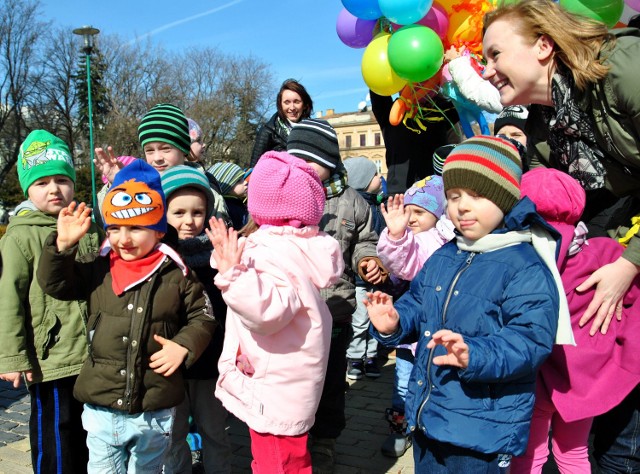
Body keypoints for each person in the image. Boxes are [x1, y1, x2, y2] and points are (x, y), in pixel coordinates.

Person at [482, 4, 640, 469]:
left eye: (495, 54)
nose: (487, 71)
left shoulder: (624, 70)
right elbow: (553, 209)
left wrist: (628, 264)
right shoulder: (541, 124)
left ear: (544, 46)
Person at [366, 136, 566, 472]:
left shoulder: (524, 263)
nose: (463, 206)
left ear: (504, 197)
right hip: (430, 416)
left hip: (481, 428)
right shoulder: (446, 253)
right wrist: (394, 321)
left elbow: (531, 339)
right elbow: (419, 302)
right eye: (455, 196)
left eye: (477, 195)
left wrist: (476, 354)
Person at [36, 160, 217, 472]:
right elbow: (56, 284)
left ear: (158, 231)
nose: (124, 238)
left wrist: (184, 345)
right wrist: (62, 247)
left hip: (153, 408)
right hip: (101, 404)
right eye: (115, 228)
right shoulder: (98, 266)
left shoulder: (177, 273)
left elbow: (204, 315)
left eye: (136, 228)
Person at [209, 150, 344, 473]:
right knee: (286, 460)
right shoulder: (300, 246)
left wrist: (232, 274)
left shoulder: (272, 251)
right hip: (287, 378)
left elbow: (267, 312)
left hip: (275, 386)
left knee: (278, 465)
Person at [511, 167, 640, 473]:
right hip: (586, 380)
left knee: (530, 452)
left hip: (539, 375)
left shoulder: (518, 252)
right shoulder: (606, 252)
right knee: (574, 453)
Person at [286, 118, 387, 473]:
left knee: (330, 382)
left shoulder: (352, 201)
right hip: (292, 311)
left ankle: (325, 441)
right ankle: (294, 438)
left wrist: (368, 261)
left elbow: (365, 241)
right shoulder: (281, 195)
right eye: (295, 159)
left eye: (311, 160)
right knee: (295, 382)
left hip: (335, 307)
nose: (304, 168)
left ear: (329, 163)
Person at [0, 130, 102, 473]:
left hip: (89, 351)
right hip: (51, 355)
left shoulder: (87, 226)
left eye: (61, 179)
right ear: (28, 188)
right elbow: (9, 298)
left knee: (88, 432)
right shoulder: (20, 235)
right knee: (55, 433)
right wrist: (12, 356)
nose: (54, 188)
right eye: (42, 182)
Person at [375, 176, 455, 458]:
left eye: (419, 212)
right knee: (402, 385)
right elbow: (404, 262)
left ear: (438, 213)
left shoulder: (448, 240)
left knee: (435, 385)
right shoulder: (415, 241)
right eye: (408, 211)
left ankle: (427, 429)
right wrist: (396, 239)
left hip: (438, 337)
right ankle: (400, 429)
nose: (411, 219)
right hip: (411, 336)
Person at [160, 165, 232, 474]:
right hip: (169, 366)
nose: (189, 221)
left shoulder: (220, 254)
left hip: (211, 364)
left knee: (215, 432)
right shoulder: (158, 256)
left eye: (197, 212)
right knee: (172, 437)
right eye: (178, 212)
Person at [342, 156, 385, 380]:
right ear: (364, 180)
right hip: (359, 279)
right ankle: (355, 357)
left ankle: (372, 356)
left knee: (377, 318)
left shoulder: (380, 205)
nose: (380, 177)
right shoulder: (357, 207)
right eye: (375, 175)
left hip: (379, 276)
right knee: (359, 321)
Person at [370, 90, 458, 195]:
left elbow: (454, 149)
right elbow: (378, 90)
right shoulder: (391, 112)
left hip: (435, 193)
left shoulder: (442, 111)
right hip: (399, 195)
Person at [249, 79, 313, 167]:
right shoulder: (267, 132)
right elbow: (254, 169)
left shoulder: (313, 130)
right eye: (287, 102)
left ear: (305, 105)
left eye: (297, 102)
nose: (292, 107)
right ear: (280, 104)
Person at [209, 161, 249, 230]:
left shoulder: (235, 203)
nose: (245, 182)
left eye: (243, 178)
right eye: (239, 181)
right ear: (226, 187)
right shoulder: (232, 208)